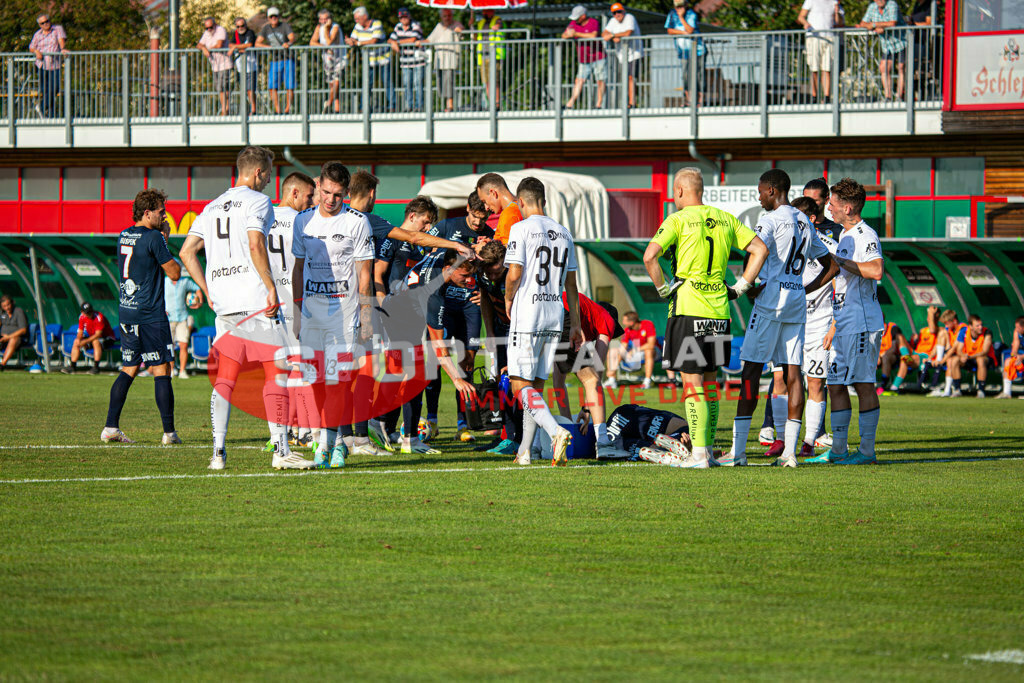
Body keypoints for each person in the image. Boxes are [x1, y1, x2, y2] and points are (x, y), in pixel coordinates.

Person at [180, 146, 314, 471]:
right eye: (268, 173)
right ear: (258, 172)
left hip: (225, 304)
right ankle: (281, 451)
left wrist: (207, 290)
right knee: (275, 374)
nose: (269, 180)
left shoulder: (211, 207)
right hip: (255, 301)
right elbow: (256, 243)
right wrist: (270, 287)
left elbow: (186, 252)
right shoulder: (258, 201)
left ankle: (217, 454)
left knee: (226, 379)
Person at [642, 167, 768, 468]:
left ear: (681, 191)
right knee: (710, 382)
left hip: (689, 307)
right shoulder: (725, 219)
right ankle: (707, 450)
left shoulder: (678, 219)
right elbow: (759, 249)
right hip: (719, 310)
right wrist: (741, 286)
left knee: (692, 382)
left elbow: (650, 256)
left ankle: (698, 454)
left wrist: (662, 289)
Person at [727, 170, 836, 468]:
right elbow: (831, 265)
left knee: (750, 371)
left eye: (761, 191)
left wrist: (744, 287)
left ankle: (737, 450)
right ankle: (790, 452)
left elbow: (757, 252)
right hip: (796, 303)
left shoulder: (771, 220)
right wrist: (804, 287)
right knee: (793, 372)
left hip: (771, 303)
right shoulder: (804, 220)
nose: (759, 196)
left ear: (773, 190)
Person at [291, 162, 380, 468]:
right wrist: (297, 312)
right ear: (318, 189)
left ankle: (325, 446)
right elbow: (298, 269)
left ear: (346, 193)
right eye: (326, 192)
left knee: (338, 383)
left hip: (344, 314)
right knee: (315, 382)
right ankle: (333, 440)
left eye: (337, 194)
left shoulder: (357, 223)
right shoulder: (302, 221)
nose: (330, 199)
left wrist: (366, 318)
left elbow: (365, 275)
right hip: (312, 313)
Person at [503, 177, 582, 466]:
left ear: (520, 202)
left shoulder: (520, 228)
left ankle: (555, 431)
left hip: (528, 315)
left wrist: (508, 298)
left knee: (519, 386)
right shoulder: (564, 233)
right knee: (535, 387)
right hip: (555, 315)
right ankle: (524, 451)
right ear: (544, 201)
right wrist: (575, 324)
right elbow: (571, 284)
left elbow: (514, 272)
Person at [806, 177, 884, 465]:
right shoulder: (844, 235)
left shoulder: (866, 235)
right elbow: (834, 272)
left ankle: (866, 451)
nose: (829, 206)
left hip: (863, 323)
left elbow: (876, 270)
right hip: (842, 323)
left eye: (834, 203)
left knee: (863, 384)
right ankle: (838, 449)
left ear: (848, 208)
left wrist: (840, 262)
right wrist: (803, 292)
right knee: (835, 384)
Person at [102, 189, 181, 445]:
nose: (164, 215)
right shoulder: (154, 237)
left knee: (129, 367)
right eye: (161, 211)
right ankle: (169, 433)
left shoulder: (124, 234)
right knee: (162, 370)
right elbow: (175, 273)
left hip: (127, 311)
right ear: (147, 213)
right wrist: (165, 238)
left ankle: (110, 427)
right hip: (149, 314)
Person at [266, 171, 316, 446]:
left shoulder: (264, 218)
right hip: (296, 302)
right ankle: (303, 430)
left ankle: (281, 433)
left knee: (278, 372)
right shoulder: (302, 221)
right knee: (302, 369)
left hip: (270, 304)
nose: (310, 202)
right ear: (294, 192)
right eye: (308, 196)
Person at [790, 195, 838, 457]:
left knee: (816, 382)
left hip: (819, 325)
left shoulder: (827, 245)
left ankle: (809, 441)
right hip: (790, 323)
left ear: (809, 219)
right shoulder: (785, 244)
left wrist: (834, 324)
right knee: (785, 380)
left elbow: (837, 280)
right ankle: (780, 439)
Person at [550, 292, 618, 458]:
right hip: (564, 311)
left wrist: (570, 423)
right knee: (592, 379)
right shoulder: (606, 320)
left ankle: (556, 436)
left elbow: (559, 381)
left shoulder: (586, 318)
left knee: (549, 380)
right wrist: (587, 409)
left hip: (547, 308)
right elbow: (597, 375)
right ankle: (602, 442)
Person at [161, 222, 202, 379]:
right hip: (169, 317)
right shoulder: (164, 281)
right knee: (169, 347)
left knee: (183, 345)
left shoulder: (184, 281)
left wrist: (198, 301)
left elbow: (197, 287)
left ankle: (183, 371)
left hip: (183, 317)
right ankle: (172, 370)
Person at [606, 404, 692, 463]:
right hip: (622, 415)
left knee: (628, 447)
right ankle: (677, 440)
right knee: (686, 429)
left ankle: (660, 450)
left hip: (606, 439)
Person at [859, 0, 906, 101]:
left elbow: (892, 23)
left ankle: (899, 96)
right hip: (887, 44)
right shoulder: (872, 7)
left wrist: (875, 25)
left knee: (901, 67)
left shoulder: (892, 4)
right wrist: (874, 27)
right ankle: (888, 96)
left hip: (901, 41)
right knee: (884, 67)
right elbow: (863, 23)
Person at [348, 7, 393, 112]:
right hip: (369, 61)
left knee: (387, 82)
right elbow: (353, 38)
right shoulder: (358, 26)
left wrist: (358, 43)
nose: (356, 21)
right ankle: (363, 107)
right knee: (367, 84)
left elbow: (373, 41)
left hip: (383, 59)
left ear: (365, 16)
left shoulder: (377, 24)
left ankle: (392, 106)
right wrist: (350, 41)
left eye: (357, 18)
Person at [798, 0, 844, 102]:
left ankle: (827, 97)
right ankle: (814, 96)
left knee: (827, 69)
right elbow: (801, 17)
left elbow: (839, 23)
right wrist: (807, 24)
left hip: (830, 38)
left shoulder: (834, 2)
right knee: (814, 68)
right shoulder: (810, 1)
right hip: (815, 37)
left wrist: (837, 12)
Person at [891, 305, 944, 394]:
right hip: (915, 354)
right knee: (899, 337)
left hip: (925, 356)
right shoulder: (922, 330)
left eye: (931, 316)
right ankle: (906, 356)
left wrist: (931, 313)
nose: (928, 318)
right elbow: (915, 346)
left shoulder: (940, 330)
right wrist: (914, 340)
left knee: (904, 360)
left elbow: (932, 329)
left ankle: (894, 387)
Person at [563, 6, 606, 110]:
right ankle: (570, 103)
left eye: (577, 17)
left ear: (583, 16)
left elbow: (593, 35)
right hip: (583, 59)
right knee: (579, 80)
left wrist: (576, 34)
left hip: (598, 57)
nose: (575, 20)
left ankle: (599, 104)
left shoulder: (593, 22)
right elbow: (564, 35)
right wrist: (568, 35)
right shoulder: (573, 23)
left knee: (600, 80)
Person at [602, 3, 643, 108]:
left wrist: (614, 35)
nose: (617, 15)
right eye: (614, 13)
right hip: (621, 56)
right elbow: (604, 34)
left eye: (619, 11)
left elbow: (628, 32)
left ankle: (632, 102)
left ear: (623, 11)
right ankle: (627, 101)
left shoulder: (629, 17)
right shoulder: (612, 21)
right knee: (624, 78)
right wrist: (612, 37)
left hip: (634, 54)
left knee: (631, 77)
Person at [257, 7, 297, 115]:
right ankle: (277, 109)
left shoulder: (284, 26)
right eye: (271, 16)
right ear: (268, 18)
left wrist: (288, 43)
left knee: (289, 85)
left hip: (287, 59)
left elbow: (292, 37)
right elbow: (258, 43)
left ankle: (287, 109)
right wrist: (269, 47)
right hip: (275, 60)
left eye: (275, 16)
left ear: (278, 17)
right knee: (272, 86)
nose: (273, 18)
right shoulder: (266, 28)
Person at [603, 311, 657, 390]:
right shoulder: (627, 330)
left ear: (631, 322)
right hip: (636, 354)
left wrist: (635, 350)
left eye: (625, 320)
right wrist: (613, 367)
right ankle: (612, 380)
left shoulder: (647, 324)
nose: (623, 322)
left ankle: (647, 381)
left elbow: (651, 345)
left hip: (654, 352)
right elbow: (623, 347)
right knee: (613, 350)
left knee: (648, 351)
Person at [665, 0, 704, 107]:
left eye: (681, 6)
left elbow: (690, 30)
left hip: (698, 50)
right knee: (686, 76)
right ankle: (688, 100)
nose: (679, 9)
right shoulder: (672, 14)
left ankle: (699, 100)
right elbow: (669, 30)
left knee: (698, 75)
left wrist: (681, 17)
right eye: (677, 7)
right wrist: (683, 33)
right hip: (683, 52)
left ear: (686, 5)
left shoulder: (691, 14)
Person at [947, 313, 995, 398]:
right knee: (954, 360)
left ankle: (981, 391)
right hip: (968, 358)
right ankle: (957, 390)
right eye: (977, 326)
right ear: (971, 326)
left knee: (980, 359)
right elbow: (959, 349)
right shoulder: (964, 332)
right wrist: (962, 356)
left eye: (981, 325)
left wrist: (969, 357)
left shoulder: (987, 332)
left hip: (986, 359)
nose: (980, 327)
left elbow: (984, 351)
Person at [28, 14, 67, 118]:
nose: (46, 24)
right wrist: (36, 51)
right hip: (42, 65)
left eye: (47, 21)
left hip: (55, 65)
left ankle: (40, 106)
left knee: (55, 88)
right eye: (42, 23)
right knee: (46, 91)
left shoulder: (57, 29)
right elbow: (31, 47)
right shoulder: (37, 34)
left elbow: (61, 41)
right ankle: (51, 115)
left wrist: (63, 48)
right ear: (40, 25)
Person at [426, 9, 464, 113]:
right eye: (445, 16)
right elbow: (430, 39)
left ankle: (450, 106)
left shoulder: (456, 24)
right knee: (440, 83)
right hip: (439, 60)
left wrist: (459, 30)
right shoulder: (439, 26)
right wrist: (419, 42)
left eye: (449, 16)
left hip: (450, 59)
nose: (447, 18)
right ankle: (445, 105)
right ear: (441, 17)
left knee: (449, 81)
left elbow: (461, 31)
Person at [389, 8, 426, 112]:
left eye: (405, 17)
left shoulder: (415, 25)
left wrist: (397, 43)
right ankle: (408, 106)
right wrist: (393, 43)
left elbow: (413, 39)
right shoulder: (398, 27)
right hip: (405, 61)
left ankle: (419, 106)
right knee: (407, 83)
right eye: (402, 17)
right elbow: (390, 39)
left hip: (418, 60)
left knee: (417, 83)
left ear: (409, 16)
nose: (404, 19)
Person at [63, 302, 116, 375]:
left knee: (95, 341)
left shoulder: (99, 317)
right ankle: (72, 366)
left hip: (107, 338)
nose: (89, 314)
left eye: (90, 312)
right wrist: (79, 339)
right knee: (76, 342)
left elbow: (98, 334)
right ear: (82, 312)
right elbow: (80, 332)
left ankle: (96, 368)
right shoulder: (82, 317)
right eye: (87, 313)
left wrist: (84, 342)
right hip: (93, 337)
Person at [311, 9, 345, 114]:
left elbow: (330, 41)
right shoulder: (318, 28)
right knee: (332, 85)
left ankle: (329, 103)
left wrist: (326, 28)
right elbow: (312, 42)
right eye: (321, 19)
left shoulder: (335, 27)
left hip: (340, 58)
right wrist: (323, 47)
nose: (323, 22)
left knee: (337, 82)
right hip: (327, 59)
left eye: (325, 19)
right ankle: (336, 108)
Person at [197, 16, 232, 117]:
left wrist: (208, 48)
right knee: (219, 88)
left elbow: (219, 45)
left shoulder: (220, 30)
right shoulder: (207, 33)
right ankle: (224, 108)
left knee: (223, 86)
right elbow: (199, 44)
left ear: (215, 25)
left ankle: (226, 109)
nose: (208, 30)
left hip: (224, 64)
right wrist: (203, 48)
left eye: (210, 27)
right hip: (215, 65)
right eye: (206, 28)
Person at [476, 173, 522, 245]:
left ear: (493, 193)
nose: (486, 208)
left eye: (484, 201)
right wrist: (491, 243)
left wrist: (484, 248)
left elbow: (509, 251)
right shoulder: (521, 207)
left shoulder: (509, 214)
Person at [929, 309, 965, 397]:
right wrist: (929, 358)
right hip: (947, 353)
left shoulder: (963, 329)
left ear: (954, 321)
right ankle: (946, 390)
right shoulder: (924, 331)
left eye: (947, 323)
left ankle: (948, 389)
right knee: (904, 359)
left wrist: (942, 361)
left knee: (950, 361)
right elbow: (937, 343)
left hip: (961, 354)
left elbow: (954, 348)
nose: (946, 326)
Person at [475, 9, 505, 109]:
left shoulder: (497, 20)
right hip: (483, 56)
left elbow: (499, 25)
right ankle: (490, 103)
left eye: (487, 11)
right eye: (483, 11)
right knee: (486, 82)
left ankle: (496, 103)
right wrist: (471, 25)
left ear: (492, 11)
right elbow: (476, 37)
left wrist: (497, 27)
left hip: (495, 55)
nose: (484, 13)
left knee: (494, 81)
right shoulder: (481, 23)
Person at [229, 17, 259, 115]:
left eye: (242, 26)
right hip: (240, 67)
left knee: (250, 89)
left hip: (251, 65)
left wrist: (235, 47)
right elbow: (230, 44)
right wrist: (238, 47)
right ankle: (246, 109)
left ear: (245, 25)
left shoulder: (250, 33)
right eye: (238, 26)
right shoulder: (236, 34)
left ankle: (253, 110)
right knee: (244, 89)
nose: (240, 28)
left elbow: (249, 44)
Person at [877, 320, 910, 392]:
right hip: (907, 356)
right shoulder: (872, 331)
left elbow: (894, 348)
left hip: (915, 356)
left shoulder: (895, 331)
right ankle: (893, 388)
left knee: (905, 360)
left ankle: (888, 386)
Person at [996, 316, 1024, 399]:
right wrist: (1014, 357)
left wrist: (1021, 357)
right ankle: (1007, 393)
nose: (1016, 329)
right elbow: (1015, 348)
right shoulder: (1017, 332)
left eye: (1018, 327)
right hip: (1022, 355)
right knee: (1008, 361)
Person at [0, 295, 29, 371]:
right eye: (4, 306)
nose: (7, 308)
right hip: (3, 338)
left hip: (18, 339)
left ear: (12, 303)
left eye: (8, 305)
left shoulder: (18, 312)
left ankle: (2, 364)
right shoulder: (3, 313)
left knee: (14, 339)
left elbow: (23, 330)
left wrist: (8, 337)